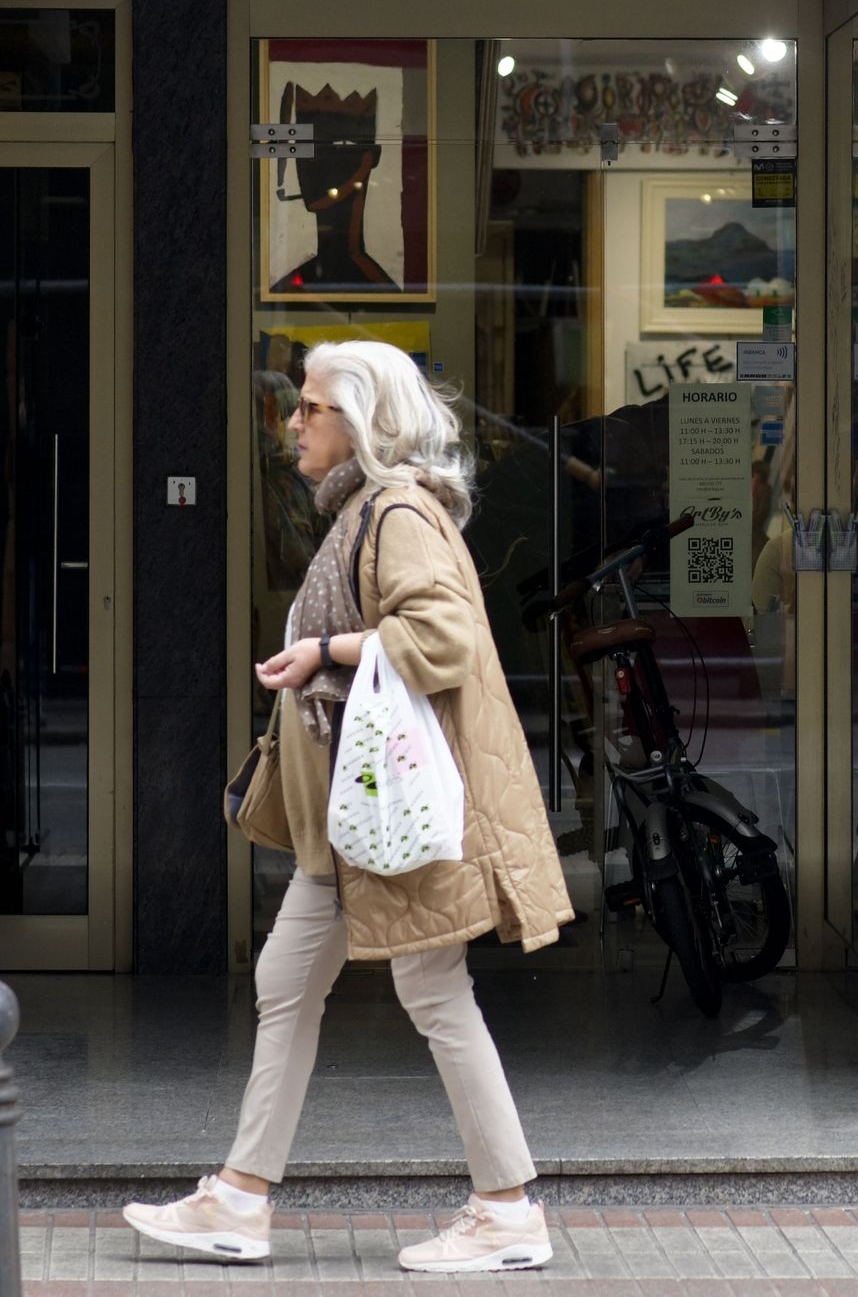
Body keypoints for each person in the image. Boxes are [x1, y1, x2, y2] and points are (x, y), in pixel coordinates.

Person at [124, 340, 572, 1273]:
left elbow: (441, 637)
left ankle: (508, 1212)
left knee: (432, 990)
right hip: (353, 824)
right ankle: (242, 1201)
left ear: (363, 424)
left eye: (312, 407)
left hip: (390, 817)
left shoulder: (397, 511)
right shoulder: (363, 510)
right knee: (287, 983)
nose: (293, 421)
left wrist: (328, 650)